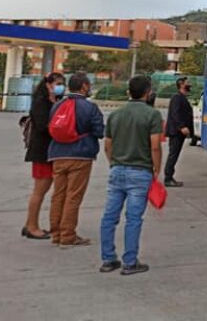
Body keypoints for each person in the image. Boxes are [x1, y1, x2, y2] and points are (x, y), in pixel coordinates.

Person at [99, 75, 163, 275]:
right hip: (140, 171)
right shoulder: (152, 115)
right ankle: (130, 261)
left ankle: (108, 259)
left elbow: (107, 145)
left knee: (109, 217)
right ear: (148, 92)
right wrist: (156, 169)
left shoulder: (116, 115)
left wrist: (114, 162)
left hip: (117, 169)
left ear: (128, 92)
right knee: (133, 218)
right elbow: (155, 146)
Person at [47, 72, 104, 247]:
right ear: (84, 86)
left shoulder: (57, 106)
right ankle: (68, 235)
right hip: (81, 155)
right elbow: (99, 131)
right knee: (73, 196)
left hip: (57, 154)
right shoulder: (89, 107)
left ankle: (55, 234)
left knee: (58, 195)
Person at [22, 72, 66, 240]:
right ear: (48, 84)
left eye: (62, 84)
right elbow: (42, 127)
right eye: (58, 83)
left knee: (43, 189)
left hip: (50, 151)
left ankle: (29, 224)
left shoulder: (54, 102)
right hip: (41, 152)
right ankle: (32, 226)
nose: (60, 87)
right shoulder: (41, 103)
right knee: (40, 190)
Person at [163, 77, 194, 187]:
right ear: (181, 85)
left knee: (174, 154)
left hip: (179, 132)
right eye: (187, 83)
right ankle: (168, 178)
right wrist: (182, 127)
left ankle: (169, 176)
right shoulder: (177, 98)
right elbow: (175, 114)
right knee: (173, 154)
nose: (189, 85)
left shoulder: (182, 98)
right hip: (176, 132)